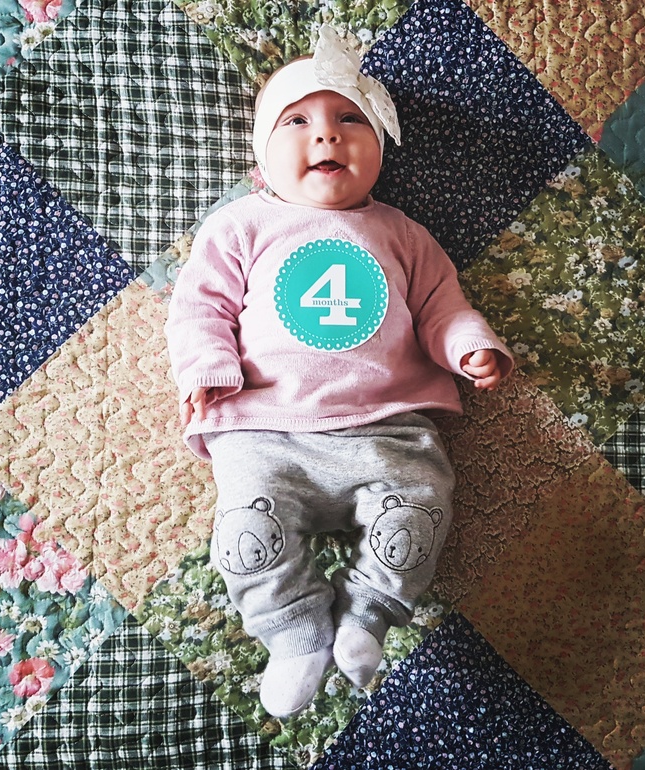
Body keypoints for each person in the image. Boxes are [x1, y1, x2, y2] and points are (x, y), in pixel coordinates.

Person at [165, 26, 513, 719]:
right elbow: (199, 307)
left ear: (379, 145)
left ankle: (368, 615)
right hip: (266, 430)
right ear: (262, 153)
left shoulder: (404, 235)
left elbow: (441, 307)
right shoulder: (240, 227)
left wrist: (469, 345)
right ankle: (293, 634)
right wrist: (207, 368)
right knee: (244, 537)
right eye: (297, 122)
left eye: (350, 119)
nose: (326, 135)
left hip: (386, 428)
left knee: (420, 508)